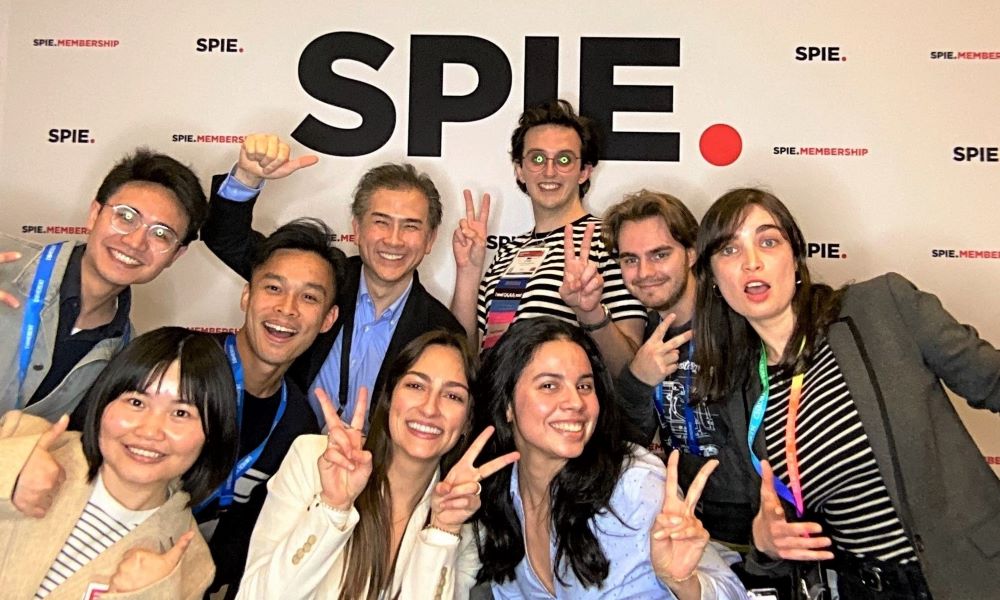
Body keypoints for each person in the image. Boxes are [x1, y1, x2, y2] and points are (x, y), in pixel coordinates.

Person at [692, 187, 1000, 599]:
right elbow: (774, 533)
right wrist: (765, 542)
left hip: (970, 577)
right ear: (713, 278)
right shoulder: (741, 394)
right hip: (864, 589)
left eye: (768, 241)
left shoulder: (881, 307)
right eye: (729, 250)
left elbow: (994, 380)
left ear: (795, 258)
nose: (752, 262)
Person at [201, 134, 463, 430]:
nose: (394, 239)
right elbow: (226, 239)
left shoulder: (441, 328)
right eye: (381, 222)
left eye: (410, 226)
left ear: (430, 239)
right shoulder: (318, 279)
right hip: (282, 457)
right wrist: (247, 178)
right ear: (357, 229)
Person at [474, 317, 747, 599]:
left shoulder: (633, 484)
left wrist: (684, 582)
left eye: (584, 386)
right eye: (549, 386)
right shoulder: (500, 493)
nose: (575, 402)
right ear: (506, 404)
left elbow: (734, 593)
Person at [238, 330, 519, 600]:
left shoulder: (463, 525)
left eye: (453, 396)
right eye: (416, 386)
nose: (430, 408)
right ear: (389, 399)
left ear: (467, 421)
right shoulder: (315, 459)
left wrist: (442, 531)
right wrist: (332, 507)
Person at [0, 327, 238, 599]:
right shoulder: (23, 440)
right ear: (104, 401)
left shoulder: (189, 566)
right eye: (136, 402)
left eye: (181, 413)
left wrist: (148, 595)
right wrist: (7, 471)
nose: (150, 431)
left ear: (213, 433)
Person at [193, 218, 342, 598]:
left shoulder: (298, 425)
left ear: (328, 319)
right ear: (247, 296)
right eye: (274, 288)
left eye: (309, 297)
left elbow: (251, 534)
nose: (287, 309)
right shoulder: (179, 367)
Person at [0, 150, 208, 421]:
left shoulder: (127, 356)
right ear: (94, 213)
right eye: (126, 217)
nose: (135, 242)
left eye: (161, 234)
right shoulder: (8, 263)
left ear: (175, 255)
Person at [603, 190, 755, 548]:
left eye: (659, 254)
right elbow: (633, 445)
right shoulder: (651, 337)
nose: (644, 273)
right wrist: (637, 381)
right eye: (630, 259)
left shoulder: (742, 319)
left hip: (759, 532)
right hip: (687, 526)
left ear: (691, 253)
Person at [450, 99, 645, 374]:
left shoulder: (607, 242)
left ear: (584, 171)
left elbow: (630, 369)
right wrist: (468, 273)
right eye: (537, 158)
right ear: (520, 169)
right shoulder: (508, 253)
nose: (549, 170)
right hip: (496, 411)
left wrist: (590, 313)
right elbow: (463, 354)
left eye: (564, 159)